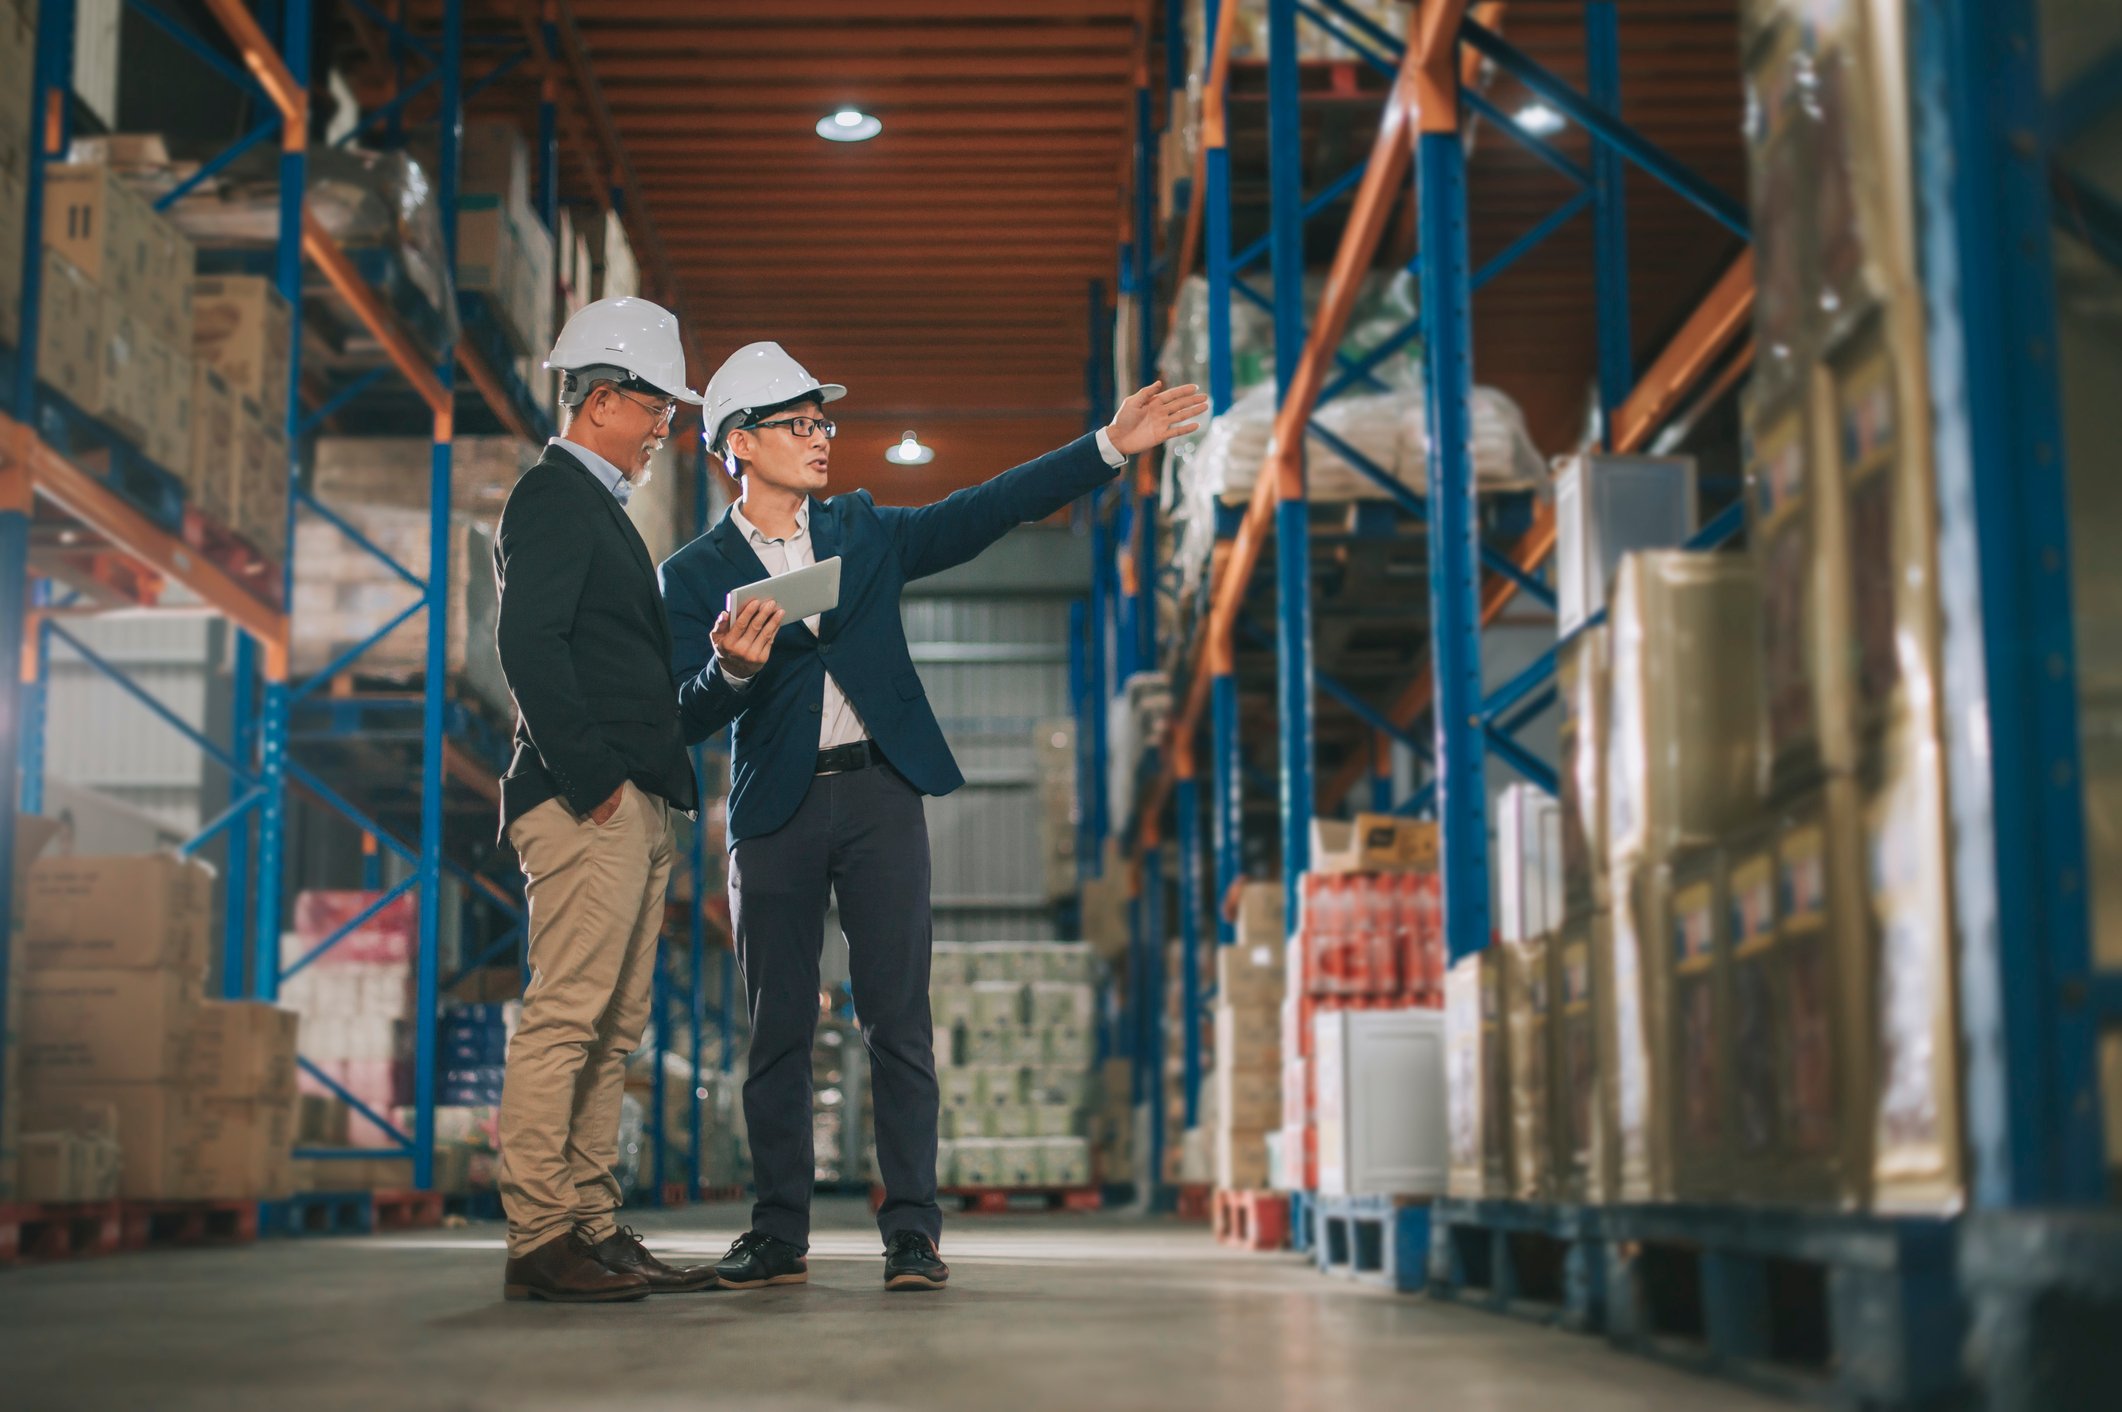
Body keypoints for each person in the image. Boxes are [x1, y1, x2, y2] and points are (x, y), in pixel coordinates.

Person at [660, 341, 1207, 1292]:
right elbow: (678, 716)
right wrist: (730, 673)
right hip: (774, 812)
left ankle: (912, 1231)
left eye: (822, 423)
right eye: (798, 425)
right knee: (777, 1028)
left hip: (881, 793)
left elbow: (980, 512)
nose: (821, 439)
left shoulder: (863, 531)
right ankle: (777, 1233)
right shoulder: (691, 574)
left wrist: (1107, 450)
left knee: (898, 1023)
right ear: (738, 443)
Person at [491, 296, 718, 1303]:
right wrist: (594, 783)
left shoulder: (602, 508)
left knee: (614, 1027)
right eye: (657, 404)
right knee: (568, 1016)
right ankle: (541, 1236)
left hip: (635, 804)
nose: (668, 424)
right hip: (587, 802)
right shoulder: (552, 495)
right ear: (601, 399)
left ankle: (589, 1219)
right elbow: (527, 645)